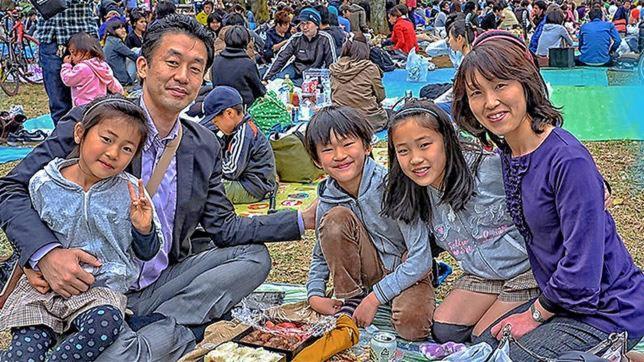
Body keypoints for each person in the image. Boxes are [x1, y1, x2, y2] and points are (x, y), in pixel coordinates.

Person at [0, 14, 314, 361]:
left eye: (195, 68)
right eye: (173, 62)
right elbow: (11, 189)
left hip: (158, 284)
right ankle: (164, 336)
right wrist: (46, 254)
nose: (183, 77)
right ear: (143, 66)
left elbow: (222, 227)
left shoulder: (203, 143)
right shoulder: (97, 123)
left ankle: (167, 326)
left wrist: (301, 220)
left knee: (253, 257)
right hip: (87, 290)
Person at [451, 30, 644, 360]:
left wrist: (534, 315)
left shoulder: (567, 160)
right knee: (486, 343)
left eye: (500, 85)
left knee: (514, 355)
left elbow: (583, 270)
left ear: (526, 83)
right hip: (557, 294)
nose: (490, 102)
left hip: (606, 305)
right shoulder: (509, 151)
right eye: (476, 93)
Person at [0, 96, 162, 362]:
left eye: (126, 149)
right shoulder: (44, 184)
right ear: (79, 133)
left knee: (105, 324)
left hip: (98, 291)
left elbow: (147, 252)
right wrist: (33, 263)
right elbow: (29, 231)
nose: (113, 153)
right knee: (24, 351)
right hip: (43, 291)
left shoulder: (130, 193)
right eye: (106, 139)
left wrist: (143, 229)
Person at [383, 99, 540, 344]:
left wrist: (596, 185)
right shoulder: (414, 192)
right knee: (445, 331)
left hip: (528, 270)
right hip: (483, 276)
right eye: (403, 150)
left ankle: (541, 309)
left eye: (425, 145)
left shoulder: (486, 168)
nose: (415, 159)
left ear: (446, 140)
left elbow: (545, 171)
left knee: (485, 338)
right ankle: (499, 304)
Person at [303, 106, 435, 341]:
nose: (339, 155)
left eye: (347, 144)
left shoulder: (392, 186)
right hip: (366, 274)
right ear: (316, 159)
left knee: (413, 328)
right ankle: (351, 297)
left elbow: (420, 257)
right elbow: (320, 254)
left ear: (367, 145)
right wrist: (314, 294)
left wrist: (375, 298)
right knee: (335, 220)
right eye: (327, 149)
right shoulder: (327, 200)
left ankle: (375, 298)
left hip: (405, 268)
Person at [199, 86, 276, 204]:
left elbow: (231, 171)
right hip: (245, 181)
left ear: (229, 113)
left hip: (253, 187)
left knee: (204, 188)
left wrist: (210, 163)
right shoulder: (236, 128)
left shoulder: (244, 134)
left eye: (216, 122)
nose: (216, 126)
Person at [35, 0, 97, 125]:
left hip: (82, 36)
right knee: (57, 100)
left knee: (89, 97)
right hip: (50, 37)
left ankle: (88, 137)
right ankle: (63, 138)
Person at [263, 8, 337, 86]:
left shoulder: (325, 39)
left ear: (316, 25)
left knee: (301, 86)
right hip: (296, 69)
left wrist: (332, 83)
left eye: (308, 23)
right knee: (278, 81)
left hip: (315, 73)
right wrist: (266, 78)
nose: (304, 27)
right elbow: (281, 57)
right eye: (302, 24)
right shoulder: (296, 38)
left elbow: (332, 64)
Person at [329, 35, 388, 131]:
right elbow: (381, 96)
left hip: (341, 121)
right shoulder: (369, 68)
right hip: (368, 121)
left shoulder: (334, 69)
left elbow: (333, 96)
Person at [61, 32, 124, 107]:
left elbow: (68, 79)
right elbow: (111, 81)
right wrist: (120, 92)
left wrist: (66, 65)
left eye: (73, 53)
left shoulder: (82, 68)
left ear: (86, 53)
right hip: (100, 104)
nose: (71, 57)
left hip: (83, 106)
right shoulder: (102, 65)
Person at [210, 25, 266, 106]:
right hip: (243, 108)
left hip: (220, 105)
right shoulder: (248, 64)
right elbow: (260, 91)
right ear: (246, 41)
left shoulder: (216, 60)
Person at [103, 21, 139, 86]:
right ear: (113, 30)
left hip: (114, 77)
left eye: (124, 28)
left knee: (135, 50)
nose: (124, 30)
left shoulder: (109, 40)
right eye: (120, 28)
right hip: (122, 79)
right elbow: (133, 56)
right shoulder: (116, 42)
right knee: (137, 51)